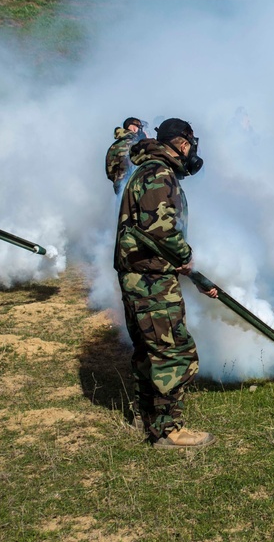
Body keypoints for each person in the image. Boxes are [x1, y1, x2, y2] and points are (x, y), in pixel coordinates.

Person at [114, 117, 217, 448]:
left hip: (142, 273)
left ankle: (149, 418)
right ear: (183, 144)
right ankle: (168, 430)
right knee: (174, 350)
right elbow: (161, 229)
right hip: (151, 277)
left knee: (149, 350)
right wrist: (185, 256)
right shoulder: (159, 174)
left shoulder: (145, 169)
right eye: (190, 145)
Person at [105, 117, 146, 193]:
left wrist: (118, 179)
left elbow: (110, 171)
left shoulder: (115, 146)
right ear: (133, 128)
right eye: (139, 127)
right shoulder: (135, 145)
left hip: (120, 187)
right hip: (135, 187)